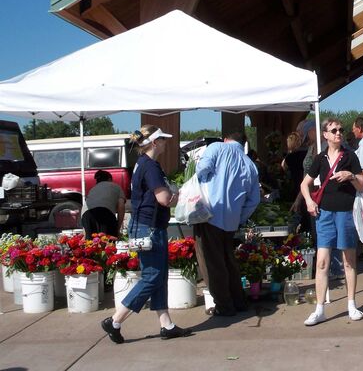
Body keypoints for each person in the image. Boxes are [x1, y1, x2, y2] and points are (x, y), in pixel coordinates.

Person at [100, 125, 191, 344]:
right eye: (163, 140)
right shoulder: (150, 167)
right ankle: (115, 320)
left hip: (144, 226)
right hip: (149, 228)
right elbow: (163, 199)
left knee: (157, 275)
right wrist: (182, 196)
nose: (166, 143)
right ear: (154, 142)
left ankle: (166, 324)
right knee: (153, 276)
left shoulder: (143, 164)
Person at [300, 118, 363, 326]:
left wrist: (351, 176)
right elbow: (305, 184)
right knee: (322, 262)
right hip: (324, 214)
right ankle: (319, 309)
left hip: (346, 213)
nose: (338, 133)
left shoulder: (350, 156)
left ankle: (351, 304)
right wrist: (310, 202)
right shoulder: (319, 159)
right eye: (334, 130)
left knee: (349, 260)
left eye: (341, 130)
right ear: (325, 135)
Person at [194, 132, 261, 316]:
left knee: (212, 263)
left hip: (209, 214)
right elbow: (254, 200)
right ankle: (238, 300)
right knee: (228, 260)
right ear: (243, 143)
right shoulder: (250, 165)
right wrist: (239, 217)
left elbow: (201, 169)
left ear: (226, 139)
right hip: (232, 219)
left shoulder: (216, 148)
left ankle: (224, 305)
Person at [82, 169, 125, 237]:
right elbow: (121, 207)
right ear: (109, 179)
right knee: (108, 242)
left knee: (90, 244)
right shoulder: (116, 186)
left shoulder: (92, 189)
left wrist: (85, 232)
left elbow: (85, 207)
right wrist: (118, 227)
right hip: (105, 213)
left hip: (86, 215)